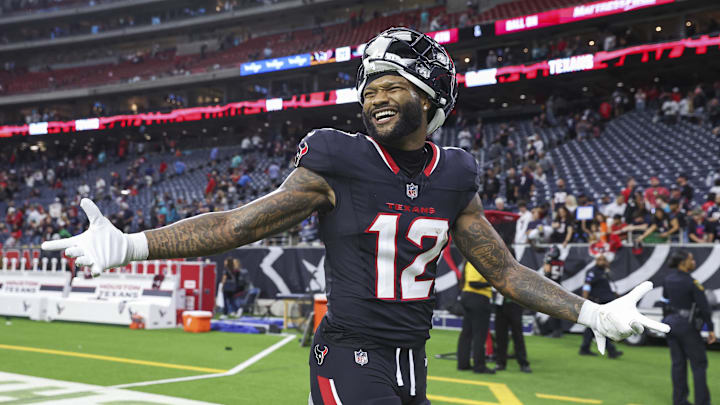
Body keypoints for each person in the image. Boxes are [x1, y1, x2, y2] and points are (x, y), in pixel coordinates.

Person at [41, 27, 668, 405]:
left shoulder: (455, 174)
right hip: (349, 353)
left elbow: (504, 272)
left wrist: (592, 312)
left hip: (410, 357)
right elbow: (237, 226)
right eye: (368, 88)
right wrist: (132, 245)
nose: (374, 96)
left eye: (392, 84)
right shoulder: (337, 160)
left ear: (431, 98)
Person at [662, 250, 716, 405]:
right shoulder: (692, 283)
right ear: (682, 263)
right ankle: (702, 402)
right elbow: (704, 308)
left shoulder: (668, 279)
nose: (693, 262)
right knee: (699, 365)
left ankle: (679, 401)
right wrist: (710, 328)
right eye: (691, 259)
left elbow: (665, 301)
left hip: (670, 324)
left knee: (678, 364)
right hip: (687, 326)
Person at [579, 255, 624, 358]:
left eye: (604, 259)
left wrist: (618, 297)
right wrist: (584, 300)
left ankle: (584, 348)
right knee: (601, 327)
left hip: (607, 302)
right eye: (600, 260)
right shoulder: (592, 272)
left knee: (592, 327)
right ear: (596, 261)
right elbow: (587, 285)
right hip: (597, 302)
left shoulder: (606, 272)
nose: (602, 262)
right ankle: (611, 351)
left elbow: (610, 287)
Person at [456, 261, 494, 374]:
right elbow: (473, 282)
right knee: (479, 334)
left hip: (469, 297)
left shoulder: (470, 261)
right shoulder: (476, 262)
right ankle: (479, 366)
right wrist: (493, 282)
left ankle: (463, 364)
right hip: (478, 299)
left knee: (467, 333)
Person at [543, 246, 565, 338]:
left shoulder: (550, 261)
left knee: (552, 311)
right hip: (559, 286)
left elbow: (547, 273)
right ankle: (559, 331)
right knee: (558, 311)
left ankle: (555, 331)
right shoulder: (561, 262)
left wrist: (546, 263)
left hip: (552, 287)